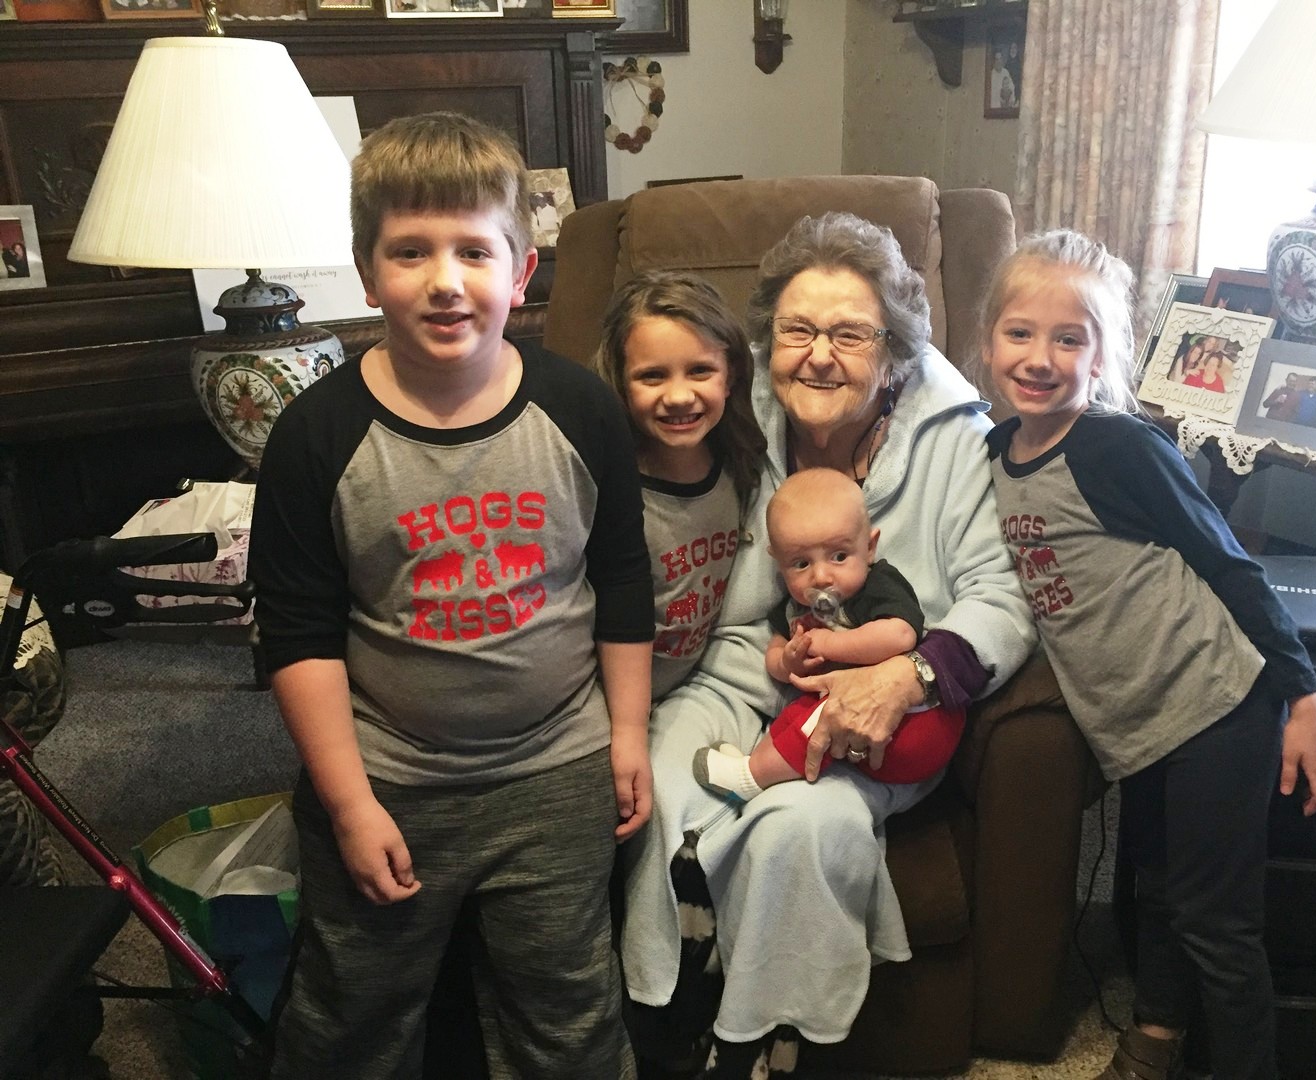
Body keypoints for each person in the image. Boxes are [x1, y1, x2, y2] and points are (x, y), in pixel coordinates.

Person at [248, 111, 654, 1079]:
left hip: (557, 770)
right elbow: (298, 636)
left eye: (475, 250)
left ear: (521, 271)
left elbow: (622, 577)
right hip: (391, 777)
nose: (444, 280)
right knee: (354, 1013)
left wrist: (629, 734)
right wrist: (349, 805)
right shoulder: (315, 437)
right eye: (410, 251)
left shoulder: (580, 409)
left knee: (568, 1012)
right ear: (366, 271)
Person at [620, 210, 1035, 1079]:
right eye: (796, 330)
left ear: (895, 352)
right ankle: (664, 1005)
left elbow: (1002, 598)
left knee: (803, 827)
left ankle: (758, 1040)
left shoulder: (954, 439)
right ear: (765, 342)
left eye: (850, 334)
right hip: (741, 672)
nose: (818, 356)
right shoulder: (730, 409)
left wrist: (911, 676)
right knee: (657, 779)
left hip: (876, 710)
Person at [976, 228, 1316, 1080]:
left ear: (1103, 357)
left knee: (1219, 926)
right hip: (1137, 727)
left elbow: (1228, 563)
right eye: (1020, 333)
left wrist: (1305, 697)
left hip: (1216, 705)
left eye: (1070, 339)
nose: (1040, 357)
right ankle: (1155, 1043)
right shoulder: (991, 456)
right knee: (1160, 897)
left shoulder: (1119, 447)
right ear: (988, 342)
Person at [692, 467, 967, 800]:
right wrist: (788, 662)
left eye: (839, 556)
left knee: (818, 717)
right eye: (801, 564)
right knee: (797, 713)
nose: (821, 577)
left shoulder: (878, 586)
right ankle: (757, 763)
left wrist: (831, 643)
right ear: (778, 562)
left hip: (918, 722)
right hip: (854, 727)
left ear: (869, 547)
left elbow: (900, 636)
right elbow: (775, 655)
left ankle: (750, 780)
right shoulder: (794, 607)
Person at [593, 270, 768, 701]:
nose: (678, 396)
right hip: (607, 701)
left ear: (730, 376)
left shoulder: (741, 464)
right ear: (620, 381)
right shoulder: (604, 491)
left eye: (700, 370)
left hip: (700, 688)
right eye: (652, 376)